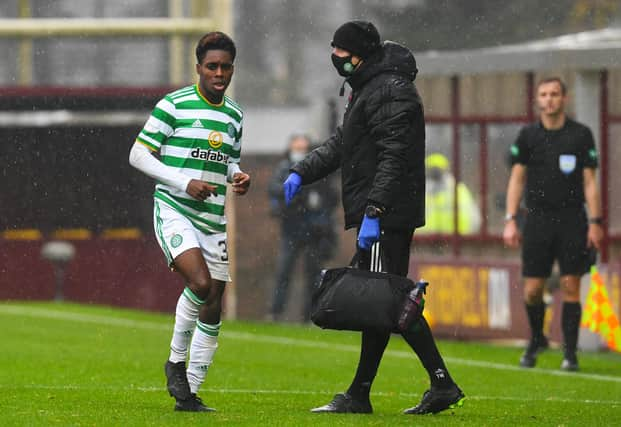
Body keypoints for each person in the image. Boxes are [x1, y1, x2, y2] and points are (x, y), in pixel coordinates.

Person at [282, 20, 464, 415]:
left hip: (387, 214)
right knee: (381, 301)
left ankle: (433, 384)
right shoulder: (370, 87)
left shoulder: (390, 91)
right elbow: (343, 144)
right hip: (382, 211)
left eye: (342, 53)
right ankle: (372, 391)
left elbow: (394, 157)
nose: (337, 59)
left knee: (388, 300)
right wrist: (303, 170)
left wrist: (375, 212)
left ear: (360, 54)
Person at [129, 31, 250, 412]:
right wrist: (184, 181)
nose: (219, 73)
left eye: (225, 67)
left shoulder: (234, 115)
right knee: (199, 283)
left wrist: (237, 175)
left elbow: (227, 159)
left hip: (212, 219)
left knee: (214, 302)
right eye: (211, 66)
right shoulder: (174, 105)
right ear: (198, 67)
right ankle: (175, 362)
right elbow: (138, 155)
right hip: (175, 208)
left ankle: (190, 393)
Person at [503, 76, 603, 371]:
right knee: (533, 289)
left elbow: (590, 183)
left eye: (555, 94)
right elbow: (517, 179)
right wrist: (510, 220)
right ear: (537, 100)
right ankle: (537, 339)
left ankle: (570, 354)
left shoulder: (581, 135)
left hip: (572, 218)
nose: (549, 99)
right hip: (537, 219)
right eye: (544, 94)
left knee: (572, 284)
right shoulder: (528, 136)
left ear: (564, 99)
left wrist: (596, 222)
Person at [267, 134, 338, 322]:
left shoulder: (318, 170)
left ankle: (308, 315)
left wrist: (321, 216)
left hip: (314, 230)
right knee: (284, 271)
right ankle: (275, 312)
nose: (300, 152)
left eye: (303, 149)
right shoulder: (283, 169)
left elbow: (330, 198)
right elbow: (275, 191)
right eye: (297, 148)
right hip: (291, 228)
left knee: (313, 274)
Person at [419, 153, 481, 235]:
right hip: (454, 240)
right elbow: (475, 220)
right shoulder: (458, 189)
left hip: (425, 241)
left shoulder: (418, 192)